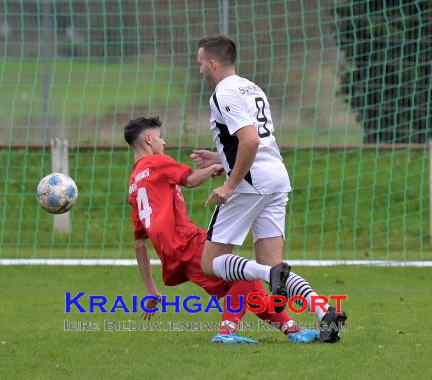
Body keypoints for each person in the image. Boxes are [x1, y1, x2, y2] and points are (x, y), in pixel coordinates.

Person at [195, 34, 346, 342]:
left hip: (250, 183)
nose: (199, 70)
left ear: (212, 63)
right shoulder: (252, 87)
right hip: (275, 177)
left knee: (210, 264)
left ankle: (269, 277)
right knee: (271, 262)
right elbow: (252, 142)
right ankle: (324, 312)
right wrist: (221, 157)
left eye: (200, 64)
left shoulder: (222, 93)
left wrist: (230, 184)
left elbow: (249, 140)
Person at [125, 116, 321, 344]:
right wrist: (214, 168)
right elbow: (189, 179)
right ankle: (226, 333)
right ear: (148, 139)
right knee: (245, 276)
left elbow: (140, 244)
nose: (164, 142)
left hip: (173, 254)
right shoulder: (156, 162)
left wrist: (151, 290)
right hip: (187, 241)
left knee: (247, 287)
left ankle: (294, 332)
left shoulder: (134, 183)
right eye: (160, 138)